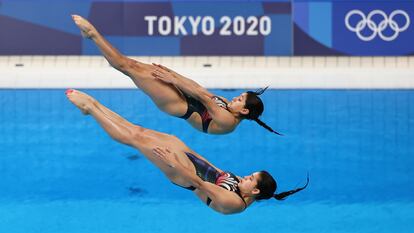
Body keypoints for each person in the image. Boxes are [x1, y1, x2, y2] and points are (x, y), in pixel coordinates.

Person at [65, 89, 308, 215]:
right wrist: (185, 148)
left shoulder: (234, 203)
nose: (246, 177)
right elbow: (214, 170)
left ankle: (91, 108)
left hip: (182, 173)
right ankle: (95, 107)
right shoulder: (245, 189)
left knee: (134, 139)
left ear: (254, 191)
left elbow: (199, 184)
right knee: (137, 131)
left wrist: (174, 162)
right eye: (250, 175)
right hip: (189, 159)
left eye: (250, 179)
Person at [71, 15, 281, 135]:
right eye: (239, 95)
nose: (235, 98)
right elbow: (200, 89)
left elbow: (202, 96)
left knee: (127, 67)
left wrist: (173, 80)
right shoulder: (227, 105)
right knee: (132, 64)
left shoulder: (227, 121)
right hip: (184, 94)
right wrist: (173, 75)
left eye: (240, 99)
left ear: (244, 110)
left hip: (180, 105)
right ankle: (91, 36)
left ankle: (92, 35)